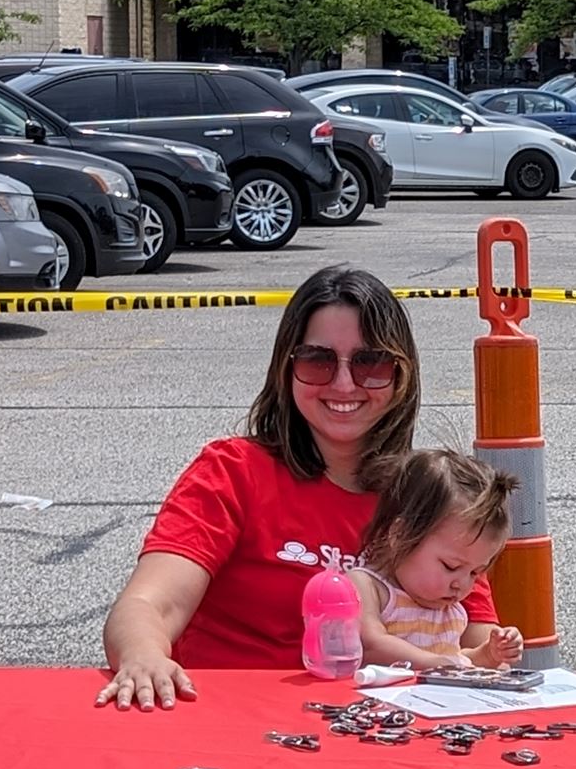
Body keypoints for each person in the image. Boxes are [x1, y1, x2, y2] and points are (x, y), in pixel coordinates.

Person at [94, 265, 511, 709]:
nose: (344, 383)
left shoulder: (433, 495)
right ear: (286, 369)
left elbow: (478, 642)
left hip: (384, 734)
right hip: (235, 723)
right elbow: (147, 606)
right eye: (318, 361)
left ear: (400, 376)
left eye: (371, 363)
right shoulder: (233, 472)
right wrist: (143, 656)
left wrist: (494, 658)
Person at [348, 449, 523, 672]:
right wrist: (435, 664)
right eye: (451, 566)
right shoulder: (369, 587)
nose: (461, 584)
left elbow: (456, 658)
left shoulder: (449, 611)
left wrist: (487, 654)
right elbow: (370, 645)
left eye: (474, 573)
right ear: (400, 534)